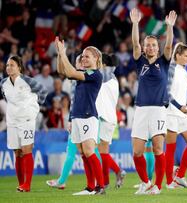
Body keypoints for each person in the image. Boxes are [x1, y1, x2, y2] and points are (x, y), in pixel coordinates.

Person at [129, 8, 177, 195]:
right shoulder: (140, 61)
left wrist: (169, 27)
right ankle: (145, 182)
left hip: (158, 110)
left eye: (153, 45)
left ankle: (157, 185)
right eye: (147, 45)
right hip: (141, 110)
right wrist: (135, 24)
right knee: (137, 152)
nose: (150, 48)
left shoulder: (164, 61)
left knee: (158, 148)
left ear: (158, 48)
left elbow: (169, 45)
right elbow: (134, 43)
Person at [55, 38, 105, 195]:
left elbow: (69, 71)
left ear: (96, 58)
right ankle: (90, 187)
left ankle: (100, 187)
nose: (83, 58)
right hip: (76, 116)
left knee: (89, 151)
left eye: (87, 56)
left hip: (87, 116)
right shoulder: (84, 73)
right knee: (83, 153)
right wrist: (59, 53)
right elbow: (62, 71)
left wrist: (63, 53)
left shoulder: (95, 74)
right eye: (82, 56)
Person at [0, 55, 47, 192]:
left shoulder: (28, 81)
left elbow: (43, 92)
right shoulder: (3, 83)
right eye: (8, 65)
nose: (9, 68)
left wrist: (34, 108)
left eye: (12, 65)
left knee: (27, 150)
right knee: (17, 152)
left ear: (19, 67)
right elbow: (6, 97)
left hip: (27, 120)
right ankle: (21, 184)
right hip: (12, 121)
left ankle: (27, 185)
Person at [165, 43, 187, 189]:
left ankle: (179, 176)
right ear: (177, 55)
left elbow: (181, 92)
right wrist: (180, 107)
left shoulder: (184, 71)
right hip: (171, 113)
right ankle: (169, 182)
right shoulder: (170, 68)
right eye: (186, 56)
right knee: (170, 149)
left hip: (182, 113)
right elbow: (167, 93)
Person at [96, 53, 126, 189]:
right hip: (109, 117)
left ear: (104, 65)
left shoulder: (106, 76)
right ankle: (106, 182)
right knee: (104, 151)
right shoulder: (112, 78)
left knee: (102, 152)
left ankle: (118, 171)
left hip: (105, 118)